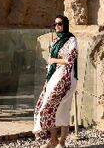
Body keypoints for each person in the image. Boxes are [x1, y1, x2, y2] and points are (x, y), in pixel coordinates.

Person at [33, 15, 78, 147]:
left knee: (61, 109)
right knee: (47, 107)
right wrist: (47, 80)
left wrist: (54, 60)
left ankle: (62, 142)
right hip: (54, 77)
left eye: (59, 24)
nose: (57, 26)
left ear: (65, 24)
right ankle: (53, 140)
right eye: (55, 24)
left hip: (66, 78)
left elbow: (70, 60)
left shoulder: (71, 40)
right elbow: (50, 63)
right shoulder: (55, 41)